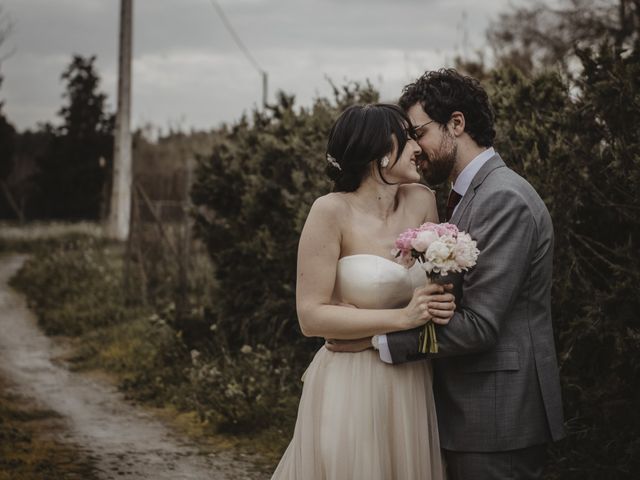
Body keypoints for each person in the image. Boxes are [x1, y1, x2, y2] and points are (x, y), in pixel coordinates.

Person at [328, 69, 566, 480]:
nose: (413, 148)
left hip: (496, 417)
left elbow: (479, 325)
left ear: (456, 124)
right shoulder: (463, 197)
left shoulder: (502, 198)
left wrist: (375, 340)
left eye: (418, 132)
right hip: (467, 413)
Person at [271, 104, 456, 480]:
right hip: (351, 383)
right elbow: (311, 317)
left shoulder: (422, 200)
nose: (417, 147)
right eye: (407, 139)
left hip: (411, 380)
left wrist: (439, 303)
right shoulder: (329, 212)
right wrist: (401, 319)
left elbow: (436, 292)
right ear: (381, 152)